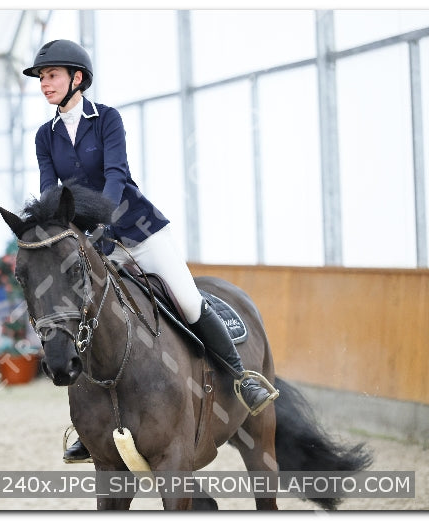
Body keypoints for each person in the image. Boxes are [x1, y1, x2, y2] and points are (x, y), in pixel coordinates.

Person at [23, 39, 277, 463]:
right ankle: (93, 426)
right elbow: (52, 191)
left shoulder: (106, 120)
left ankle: (241, 377)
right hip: (90, 242)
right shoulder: (44, 136)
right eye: (42, 78)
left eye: (51, 75)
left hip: (138, 231)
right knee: (89, 317)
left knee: (189, 301)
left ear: (77, 78)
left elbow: (116, 176)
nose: (44, 84)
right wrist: (67, 234)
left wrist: (101, 223)